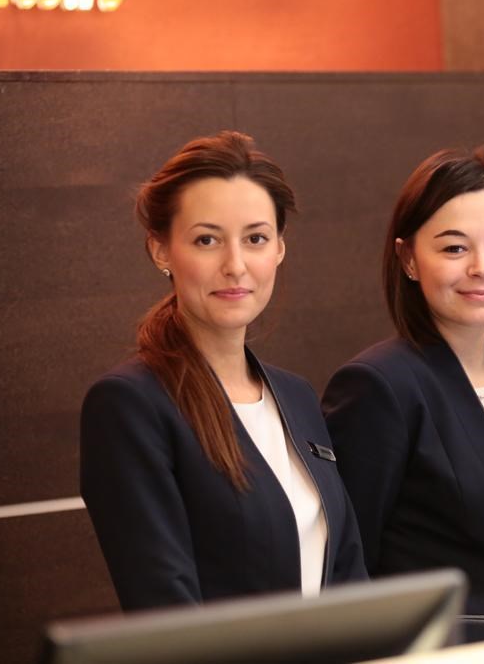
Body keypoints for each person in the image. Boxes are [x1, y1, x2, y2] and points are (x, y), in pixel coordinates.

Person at [80, 131, 366, 611]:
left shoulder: (295, 396)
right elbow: (165, 608)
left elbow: (348, 573)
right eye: (207, 240)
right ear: (160, 250)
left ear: (278, 248)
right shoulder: (130, 404)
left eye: (255, 238)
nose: (235, 265)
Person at [321, 147, 484, 642]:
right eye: (454, 248)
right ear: (409, 259)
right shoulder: (379, 386)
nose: (482, 267)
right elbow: (349, 569)